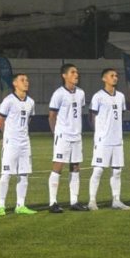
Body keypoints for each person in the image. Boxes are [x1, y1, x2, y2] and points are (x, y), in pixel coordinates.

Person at [88, 68, 130, 210]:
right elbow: (91, 117)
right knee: (99, 170)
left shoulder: (121, 96)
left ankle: (116, 200)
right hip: (103, 140)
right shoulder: (98, 96)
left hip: (117, 140)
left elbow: (121, 114)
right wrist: (99, 133)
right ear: (104, 78)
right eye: (112, 76)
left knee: (117, 171)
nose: (115, 78)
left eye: (116, 76)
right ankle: (92, 201)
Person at [48, 63, 88, 213]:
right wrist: (56, 134)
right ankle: (53, 202)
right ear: (64, 75)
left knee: (75, 167)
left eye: (77, 72)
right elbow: (51, 116)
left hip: (76, 136)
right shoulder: (58, 93)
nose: (76, 75)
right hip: (63, 136)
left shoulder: (81, 93)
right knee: (58, 167)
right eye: (72, 72)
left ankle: (74, 201)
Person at [0, 73, 38, 216]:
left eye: (27, 80)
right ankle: (1, 206)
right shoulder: (8, 101)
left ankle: (20, 205)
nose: (26, 82)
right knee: (6, 174)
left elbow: (28, 121)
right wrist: (5, 136)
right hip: (11, 143)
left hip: (25, 143)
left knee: (24, 174)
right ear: (15, 83)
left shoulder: (31, 102)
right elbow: (0, 120)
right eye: (22, 80)